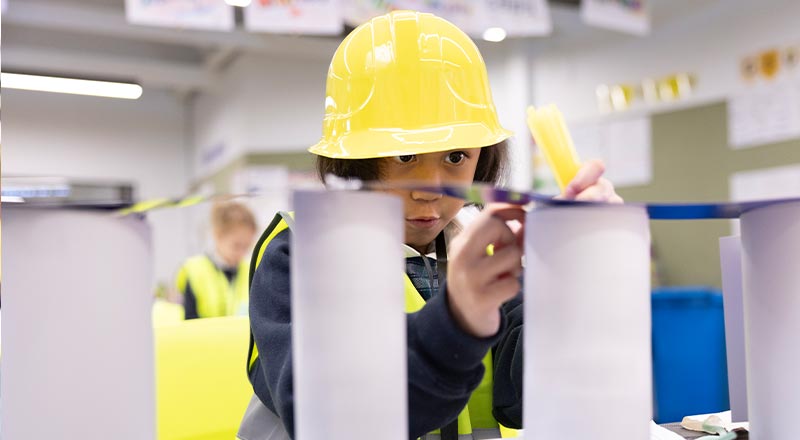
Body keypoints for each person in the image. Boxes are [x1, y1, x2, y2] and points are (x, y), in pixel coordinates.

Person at [241, 10, 621, 440]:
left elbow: (526, 396)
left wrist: (577, 280)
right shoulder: (302, 253)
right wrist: (458, 321)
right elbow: (325, 414)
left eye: (457, 156)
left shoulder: (484, 246)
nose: (430, 190)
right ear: (352, 160)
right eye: (404, 158)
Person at [176, 201, 257, 319]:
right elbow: (188, 324)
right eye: (236, 246)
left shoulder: (251, 270)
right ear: (217, 235)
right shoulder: (194, 270)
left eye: (247, 246)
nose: (242, 253)